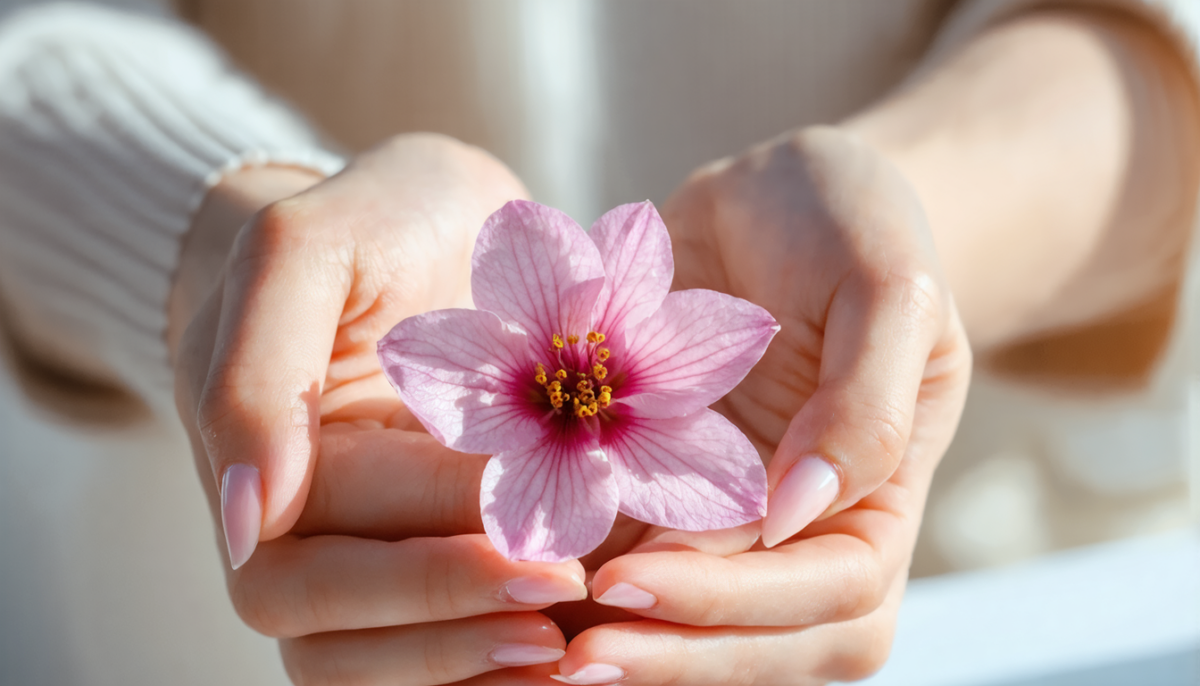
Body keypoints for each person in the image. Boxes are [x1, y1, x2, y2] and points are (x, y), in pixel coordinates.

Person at [0, 1, 1197, 684]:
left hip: (1033, 612)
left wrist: (910, 246)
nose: (578, 386)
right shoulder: (531, 393)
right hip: (277, 619)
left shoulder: (649, 380)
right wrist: (248, 251)